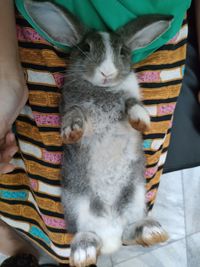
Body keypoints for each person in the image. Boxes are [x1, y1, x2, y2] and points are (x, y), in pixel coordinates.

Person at [0, 0, 192, 266]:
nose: (106, 72)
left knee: (135, 179)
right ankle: (80, 239)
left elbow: (132, 104)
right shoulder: (74, 77)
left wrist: (135, 111)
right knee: (62, 192)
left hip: (156, 38)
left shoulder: (128, 73)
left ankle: (134, 224)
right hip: (41, 41)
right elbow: (73, 106)